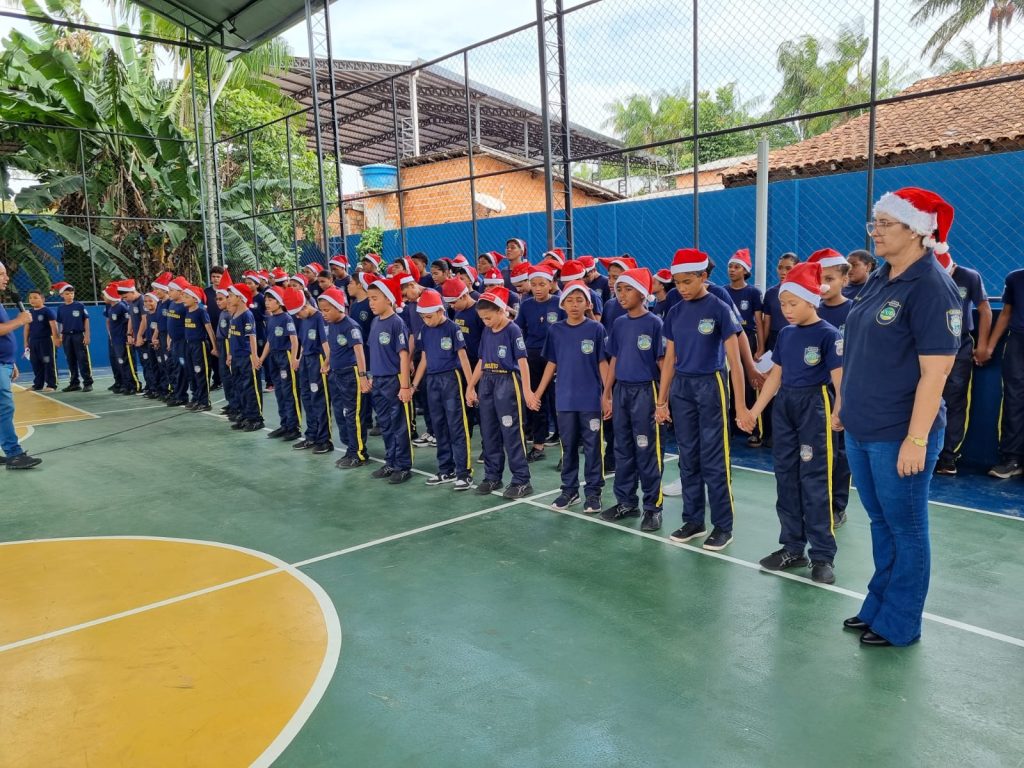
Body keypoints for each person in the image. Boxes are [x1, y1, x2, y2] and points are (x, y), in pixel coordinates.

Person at [839, 187, 961, 647]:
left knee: (907, 529)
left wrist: (916, 438)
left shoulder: (932, 287)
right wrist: (844, 408)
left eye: (885, 224)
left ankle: (901, 622)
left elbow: (938, 371)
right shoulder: (880, 277)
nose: (876, 233)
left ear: (918, 231)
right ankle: (878, 605)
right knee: (880, 523)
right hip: (863, 426)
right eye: (875, 224)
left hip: (899, 434)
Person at [738, 262, 844, 584]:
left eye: (793, 303)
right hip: (785, 407)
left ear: (811, 300)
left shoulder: (828, 335)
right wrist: (755, 411)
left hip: (815, 405)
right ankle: (792, 547)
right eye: (783, 304)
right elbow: (775, 377)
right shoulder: (784, 334)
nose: (786, 310)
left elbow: (840, 380)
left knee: (814, 480)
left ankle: (822, 555)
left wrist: (839, 410)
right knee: (785, 478)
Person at [656, 248, 748, 552]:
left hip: (712, 385)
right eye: (677, 283)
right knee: (688, 455)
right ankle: (694, 520)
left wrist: (743, 406)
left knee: (714, 459)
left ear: (703, 277)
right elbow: (670, 358)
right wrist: (661, 400)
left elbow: (733, 359)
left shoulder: (719, 308)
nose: (681, 288)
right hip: (682, 387)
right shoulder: (675, 312)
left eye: (687, 282)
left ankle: (724, 526)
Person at [532, 280, 608, 514]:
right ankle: (569, 490)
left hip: (591, 400)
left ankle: (594, 493)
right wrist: (538, 392)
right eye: (570, 300)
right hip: (564, 399)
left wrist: (608, 395)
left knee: (593, 447)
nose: (574, 305)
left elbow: (603, 363)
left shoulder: (596, 329)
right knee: (568, 446)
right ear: (562, 304)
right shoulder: (556, 330)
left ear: (588, 304)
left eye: (580, 300)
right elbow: (551, 364)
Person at [601, 268, 666, 532]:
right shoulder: (618, 323)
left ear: (642, 293)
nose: (621, 294)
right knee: (622, 448)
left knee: (647, 449)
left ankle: (653, 507)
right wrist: (607, 393)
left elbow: (663, 363)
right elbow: (614, 359)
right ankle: (626, 501)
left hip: (645, 392)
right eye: (619, 289)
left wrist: (663, 400)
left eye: (628, 289)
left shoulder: (655, 324)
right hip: (621, 392)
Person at [466, 286, 534, 499]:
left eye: (488, 318)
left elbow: (522, 362)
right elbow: (482, 361)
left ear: (500, 311)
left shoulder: (513, 330)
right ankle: (492, 476)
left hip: (507, 382)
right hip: (487, 381)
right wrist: (470, 386)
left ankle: (522, 480)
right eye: (483, 319)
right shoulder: (487, 331)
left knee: (511, 432)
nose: (486, 322)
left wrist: (527, 391)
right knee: (489, 431)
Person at [930, 250, 991, 476]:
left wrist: (983, 345)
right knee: (921, 395)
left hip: (959, 344)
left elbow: (984, 309)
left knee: (954, 398)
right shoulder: (924, 274)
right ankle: (923, 452)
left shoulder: (969, 276)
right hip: (926, 345)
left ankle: (947, 456)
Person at [411, 288, 475, 490]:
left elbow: (463, 358)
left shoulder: (452, 328)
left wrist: (470, 386)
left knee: (456, 425)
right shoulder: (425, 330)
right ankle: (445, 468)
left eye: (429, 316)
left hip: (451, 379)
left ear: (441, 311)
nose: (426, 320)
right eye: (422, 317)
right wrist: (414, 384)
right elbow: (424, 359)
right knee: (439, 426)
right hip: (432, 380)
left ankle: (463, 472)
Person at [810, 248, 854, 528]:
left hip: (844, 390)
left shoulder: (855, 310)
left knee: (840, 453)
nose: (824, 285)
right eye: (820, 279)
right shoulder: (810, 310)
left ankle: (837, 506)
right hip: (814, 394)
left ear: (845, 280)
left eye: (830, 278)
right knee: (815, 451)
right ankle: (814, 502)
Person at [366, 275, 414, 484]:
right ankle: (391, 461)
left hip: (394, 380)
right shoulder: (375, 322)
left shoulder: (397, 323)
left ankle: (403, 466)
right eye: (369, 299)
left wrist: (404, 385)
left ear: (389, 299)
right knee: (385, 423)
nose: (371, 303)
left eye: (375, 298)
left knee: (398, 424)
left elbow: (403, 355)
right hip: (378, 379)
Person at [516, 263, 564, 462]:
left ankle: (565, 448)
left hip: (556, 357)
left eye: (542, 284)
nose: (537, 288)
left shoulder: (560, 303)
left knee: (558, 401)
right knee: (535, 400)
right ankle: (538, 444)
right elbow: (519, 330)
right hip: (533, 357)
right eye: (533, 284)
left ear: (551, 284)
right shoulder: (526, 305)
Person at [319, 287, 370, 469]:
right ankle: (350, 449)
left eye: (327, 310)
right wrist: (327, 362)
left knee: (353, 414)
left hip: (351, 374)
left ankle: (359, 453)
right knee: (341, 413)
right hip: (337, 374)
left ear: (339, 307)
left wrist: (363, 376)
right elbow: (333, 347)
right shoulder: (332, 325)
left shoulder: (351, 326)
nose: (324, 314)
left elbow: (359, 352)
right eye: (322, 310)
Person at [981, 265, 1024, 478]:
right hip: (1017, 343)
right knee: (1013, 399)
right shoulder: (1015, 278)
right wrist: (989, 346)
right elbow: (1006, 313)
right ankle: (1012, 460)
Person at [0, 261, 42, 469]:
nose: (6, 278)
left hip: (3, 363)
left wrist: (10, 361)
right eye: (1, 274)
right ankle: (14, 454)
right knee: (4, 407)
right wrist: (20, 320)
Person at [258, 285, 302, 441]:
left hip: (285, 356)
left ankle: (294, 427)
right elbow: (269, 341)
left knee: (289, 392)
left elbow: (294, 340)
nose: (267, 303)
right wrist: (262, 358)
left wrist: (294, 359)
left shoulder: (287, 318)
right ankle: (285, 424)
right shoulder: (270, 319)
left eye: (271, 300)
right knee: (279, 392)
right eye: (266, 300)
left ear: (280, 302)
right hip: (274, 358)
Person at [294, 290, 333, 455]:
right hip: (306, 361)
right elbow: (303, 342)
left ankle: (324, 439)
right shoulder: (304, 320)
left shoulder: (319, 318)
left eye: (297, 312)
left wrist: (326, 363)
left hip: (317, 361)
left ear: (305, 306)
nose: (297, 316)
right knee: (307, 398)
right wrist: (298, 358)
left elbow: (326, 344)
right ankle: (311, 435)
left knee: (319, 400)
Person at [226, 283, 264, 432]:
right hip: (236, 356)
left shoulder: (247, 315)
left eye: (231, 296)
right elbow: (231, 336)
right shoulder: (234, 314)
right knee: (239, 387)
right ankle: (245, 415)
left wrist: (254, 356)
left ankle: (256, 418)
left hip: (246, 356)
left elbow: (252, 336)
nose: (229, 299)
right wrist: (230, 354)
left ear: (240, 298)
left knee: (250, 388)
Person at [181, 284, 217, 412]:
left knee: (201, 373)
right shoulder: (187, 311)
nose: (183, 299)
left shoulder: (201, 312)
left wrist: (214, 346)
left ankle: (204, 401)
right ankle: (196, 398)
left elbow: (209, 329)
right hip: (188, 345)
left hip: (199, 346)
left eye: (186, 297)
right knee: (191, 373)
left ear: (195, 299)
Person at [53, 282, 92, 393]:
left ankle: (88, 383)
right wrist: (60, 336)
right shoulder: (60, 308)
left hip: (78, 335)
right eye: (67, 294)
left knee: (82, 359)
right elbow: (60, 323)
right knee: (70, 360)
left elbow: (86, 320)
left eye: (71, 293)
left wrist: (87, 335)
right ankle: (74, 383)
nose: (70, 295)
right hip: (66, 337)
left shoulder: (79, 306)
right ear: (62, 295)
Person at [103, 282, 137, 395]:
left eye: (105, 295)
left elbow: (129, 321)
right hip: (116, 340)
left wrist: (129, 335)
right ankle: (124, 384)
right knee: (120, 362)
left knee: (127, 362)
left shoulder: (121, 307)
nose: (103, 297)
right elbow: (109, 322)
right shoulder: (111, 307)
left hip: (123, 340)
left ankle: (132, 385)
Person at [23, 290, 58, 391]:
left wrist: (56, 338)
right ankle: (38, 384)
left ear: (42, 299)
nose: (32, 300)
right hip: (33, 342)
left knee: (48, 362)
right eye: (30, 298)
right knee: (36, 362)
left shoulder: (47, 311)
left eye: (35, 297)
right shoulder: (29, 313)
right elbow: (26, 328)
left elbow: (53, 326)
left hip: (46, 341)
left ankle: (51, 384)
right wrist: (26, 342)